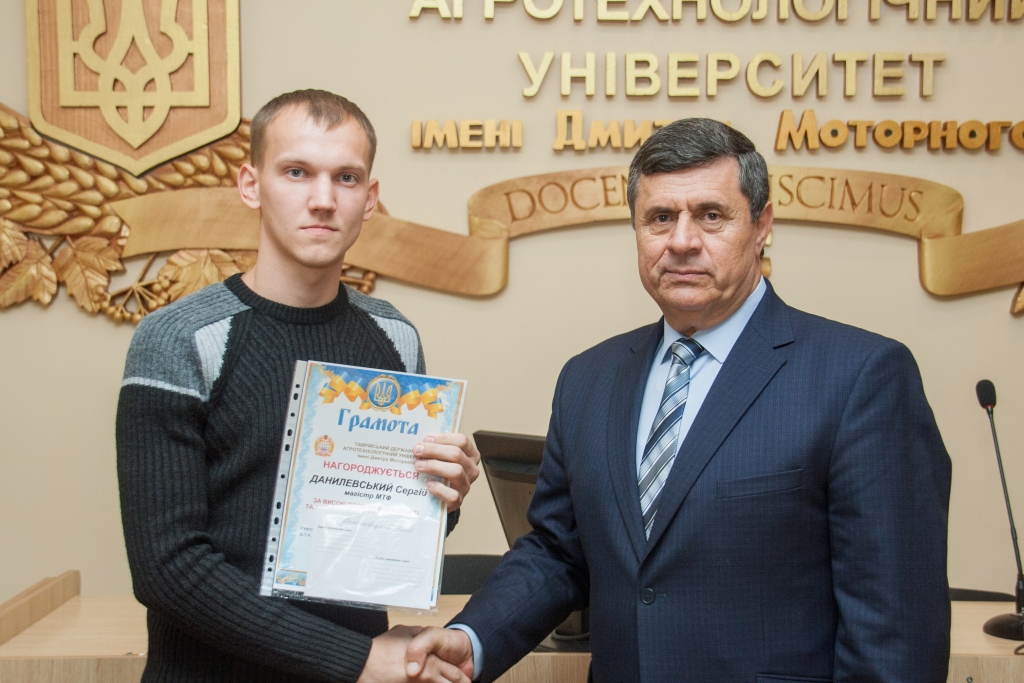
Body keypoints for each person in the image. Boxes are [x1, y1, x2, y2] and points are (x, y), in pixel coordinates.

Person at [405, 118, 952, 683]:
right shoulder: (587, 379)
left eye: (711, 216)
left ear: (762, 225)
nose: (683, 241)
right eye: (660, 218)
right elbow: (558, 551)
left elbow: (895, 633)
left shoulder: (862, 376)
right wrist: (473, 639)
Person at [116, 89, 478, 683]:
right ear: (251, 184)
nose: (323, 199)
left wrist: (442, 499)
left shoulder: (394, 337)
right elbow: (167, 569)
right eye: (296, 172)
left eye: (346, 178)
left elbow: (381, 529)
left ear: (370, 199)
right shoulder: (179, 338)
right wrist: (358, 660)